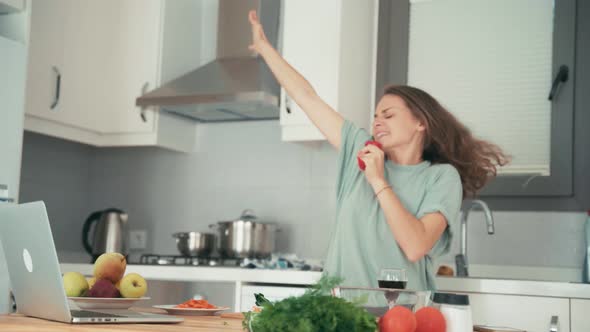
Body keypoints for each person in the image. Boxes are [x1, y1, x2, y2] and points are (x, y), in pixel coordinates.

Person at [248, 11, 508, 291]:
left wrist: (378, 180)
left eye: (389, 114)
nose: (376, 121)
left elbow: (415, 246)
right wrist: (265, 49)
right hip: (338, 310)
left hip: (398, 313)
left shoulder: (441, 178)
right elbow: (306, 96)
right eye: (375, 116)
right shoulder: (359, 150)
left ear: (420, 122)